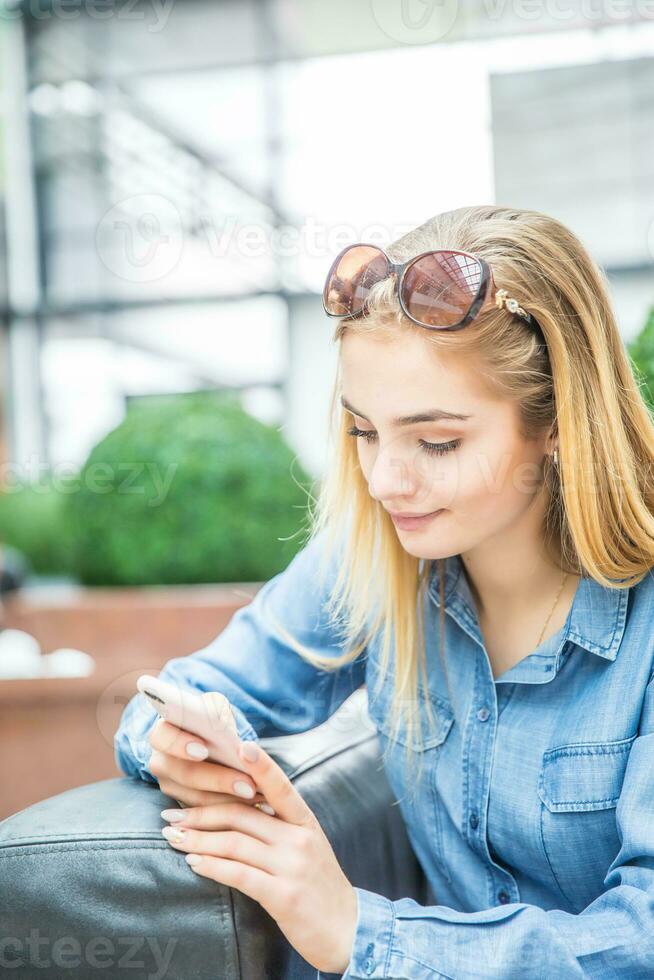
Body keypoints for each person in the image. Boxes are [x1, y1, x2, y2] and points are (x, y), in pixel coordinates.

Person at [114, 205, 654, 978]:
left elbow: (643, 940)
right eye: (364, 431)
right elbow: (182, 692)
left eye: (438, 441)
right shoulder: (374, 556)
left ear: (559, 421)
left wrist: (359, 930)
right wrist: (181, 743)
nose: (384, 481)